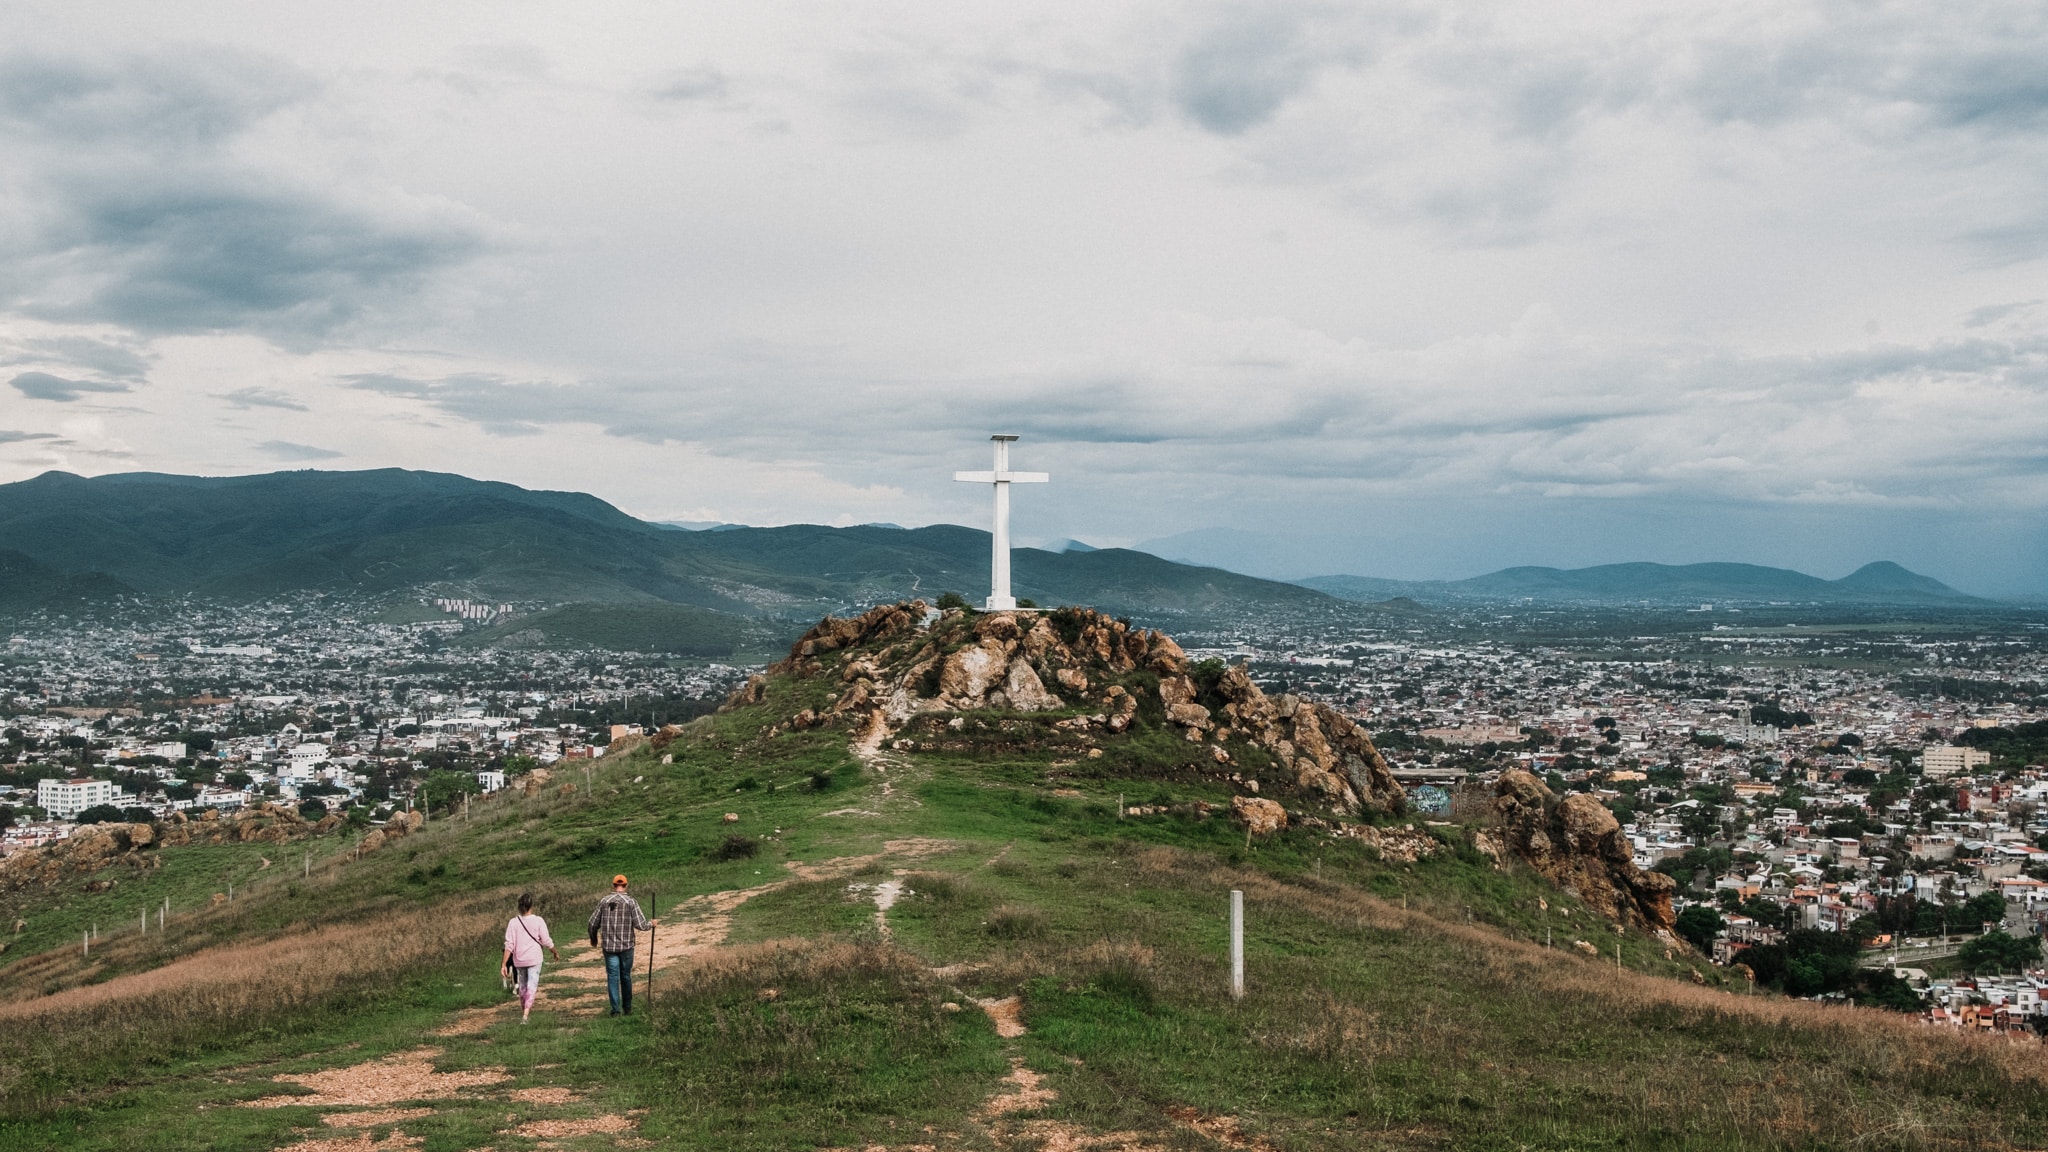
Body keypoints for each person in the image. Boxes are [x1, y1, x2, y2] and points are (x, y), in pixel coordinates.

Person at [588, 873, 656, 1016]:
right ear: (625, 886)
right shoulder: (631, 902)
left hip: (609, 947)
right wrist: (652, 924)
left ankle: (615, 1010)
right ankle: (628, 1007)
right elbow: (641, 925)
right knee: (625, 976)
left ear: (613, 886)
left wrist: (593, 938)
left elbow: (592, 923)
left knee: (613, 977)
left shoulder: (604, 901)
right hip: (626, 947)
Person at [502, 892, 561, 1023]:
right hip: (534, 959)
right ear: (531, 906)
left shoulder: (513, 922)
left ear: (519, 906)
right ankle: (525, 1015)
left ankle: (525, 1011)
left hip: (519, 959)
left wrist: (504, 964)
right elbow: (546, 940)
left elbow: (509, 945)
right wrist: (555, 952)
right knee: (532, 986)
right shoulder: (538, 921)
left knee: (522, 986)